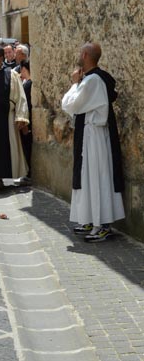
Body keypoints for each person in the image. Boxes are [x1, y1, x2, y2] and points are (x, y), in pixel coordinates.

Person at [61, 42, 124, 241]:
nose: (79, 55)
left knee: (96, 178)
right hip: (90, 135)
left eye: (81, 52)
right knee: (87, 177)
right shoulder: (92, 79)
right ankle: (89, 219)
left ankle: (101, 224)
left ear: (86, 55)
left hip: (94, 137)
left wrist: (73, 83)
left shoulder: (92, 81)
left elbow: (70, 105)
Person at [0, 46, 29, 194]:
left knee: (6, 149)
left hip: (6, 118)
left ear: (1, 57)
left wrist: (21, 116)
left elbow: (20, 97)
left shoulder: (11, 74)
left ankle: (1, 179)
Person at [19, 60, 32, 179]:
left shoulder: (29, 84)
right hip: (26, 121)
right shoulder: (27, 83)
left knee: (27, 146)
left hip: (27, 121)